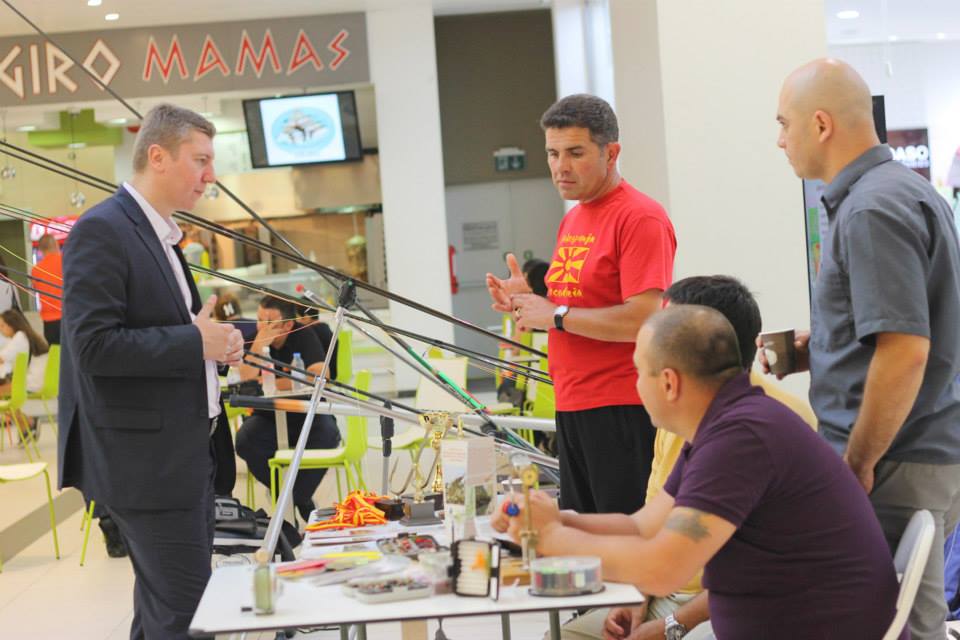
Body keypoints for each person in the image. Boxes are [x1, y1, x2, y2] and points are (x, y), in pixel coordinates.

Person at [496, 305, 904, 639]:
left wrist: (550, 538)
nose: (636, 386)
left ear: (669, 383)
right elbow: (643, 527)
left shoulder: (740, 439)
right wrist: (555, 518)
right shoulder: (725, 425)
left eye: (638, 372)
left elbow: (662, 569)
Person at [771, 58, 960, 640]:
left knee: (897, 625)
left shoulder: (873, 208)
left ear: (821, 124)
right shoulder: (897, 193)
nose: (780, 140)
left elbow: (905, 352)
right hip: (912, 449)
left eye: (784, 124)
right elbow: (907, 329)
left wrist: (856, 463)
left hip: (894, 458)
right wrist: (824, 345)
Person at [58, 103, 244, 640]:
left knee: (164, 612)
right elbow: (93, 347)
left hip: (184, 456)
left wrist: (215, 343)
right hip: (148, 468)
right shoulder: (103, 230)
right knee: (187, 616)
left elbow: (165, 332)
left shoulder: (158, 234)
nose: (210, 176)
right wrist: (194, 341)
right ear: (157, 156)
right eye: (200, 160)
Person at [560, 275, 816, 640]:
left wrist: (670, 626)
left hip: (750, 606)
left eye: (644, 367)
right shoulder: (696, 420)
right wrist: (636, 595)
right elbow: (647, 525)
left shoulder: (751, 432)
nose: (638, 384)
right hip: (679, 596)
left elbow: (750, 572)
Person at [486, 94, 676, 515]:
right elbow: (573, 309)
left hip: (622, 407)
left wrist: (555, 315)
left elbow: (645, 319)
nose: (561, 167)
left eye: (575, 153)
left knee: (624, 540)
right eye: (553, 154)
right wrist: (527, 303)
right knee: (583, 537)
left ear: (612, 153)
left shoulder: (640, 217)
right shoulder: (574, 218)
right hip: (572, 403)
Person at [235, 296, 340, 521]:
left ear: (288, 325)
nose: (262, 327)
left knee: (328, 435)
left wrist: (269, 381)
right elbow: (245, 378)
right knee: (245, 440)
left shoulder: (303, 335)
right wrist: (259, 344)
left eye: (269, 322)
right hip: (268, 417)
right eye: (259, 319)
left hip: (306, 412)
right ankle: (298, 499)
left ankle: (294, 497)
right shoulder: (255, 339)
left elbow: (320, 375)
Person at [33, 233, 63, 345]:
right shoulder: (66, 262)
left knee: (55, 353)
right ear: (56, 245)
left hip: (48, 322)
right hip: (68, 317)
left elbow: (35, 289)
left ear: (40, 249)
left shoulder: (36, 270)